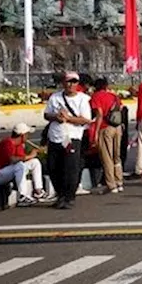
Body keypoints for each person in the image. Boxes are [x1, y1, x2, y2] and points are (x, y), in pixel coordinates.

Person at [43, 71, 92, 209]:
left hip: (72, 137)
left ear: (77, 84)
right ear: (63, 83)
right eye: (68, 81)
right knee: (53, 167)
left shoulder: (83, 99)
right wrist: (56, 116)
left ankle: (69, 196)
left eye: (74, 82)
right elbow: (46, 114)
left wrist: (68, 118)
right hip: (55, 137)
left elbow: (85, 119)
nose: (71, 84)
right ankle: (60, 195)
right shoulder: (55, 97)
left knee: (71, 168)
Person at [0, 123, 45, 206]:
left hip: (7, 171)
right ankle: (22, 196)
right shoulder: (7, 143)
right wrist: (30, 155)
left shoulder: (19, 145)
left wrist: (33, 155)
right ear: (22, 135)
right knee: (19, 166)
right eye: (27, 134)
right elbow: (13, 160)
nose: (28, 137)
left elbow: (22, 159)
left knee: (35, 162)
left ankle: (39, 191)